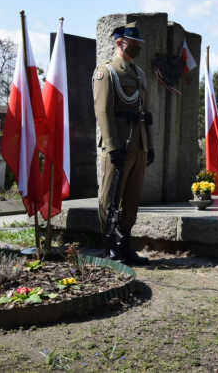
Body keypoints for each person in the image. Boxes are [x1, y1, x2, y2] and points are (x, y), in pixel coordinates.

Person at [93, 22, 154, 266]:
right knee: (111, 197)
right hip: (119, 143)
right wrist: (112, 146)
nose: (138, 46)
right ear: (119, 42)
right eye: (134, 42)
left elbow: (145, 112)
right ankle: (109, 247)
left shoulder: (139, 73)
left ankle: (125, 244)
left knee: (131, 198)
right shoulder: (106, 71)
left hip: (138, 142)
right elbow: (103, 111)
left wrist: (150, 144)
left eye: (139, 43)